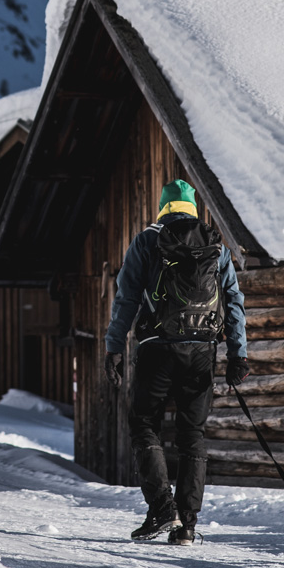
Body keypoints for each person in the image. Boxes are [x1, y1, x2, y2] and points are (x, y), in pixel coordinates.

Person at [104, 179, 249, 546]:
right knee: (192, 435)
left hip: (157, 348)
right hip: (202, 351)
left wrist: (114, 347)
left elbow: (127, 298)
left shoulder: (148, 241)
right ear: (194, 209)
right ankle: (187, 524)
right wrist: (238, 354)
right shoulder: (215, 245)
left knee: (144, 424)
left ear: (163, 208)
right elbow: (233, 302)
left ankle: (161, 509)